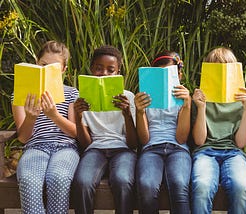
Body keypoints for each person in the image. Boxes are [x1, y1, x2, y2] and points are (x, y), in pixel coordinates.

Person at [12, 40, 79, 214]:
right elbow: (23, 137)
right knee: (28, 180)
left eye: (54, 67)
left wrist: (54, 116)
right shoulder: (20, 94)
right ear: (36, 63)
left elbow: (75, 133)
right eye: (43, 65)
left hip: (66, 147)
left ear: (63, 70)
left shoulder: (72, 93)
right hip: (35, 147)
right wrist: (31, 118)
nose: (46, 69)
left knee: (59, 178)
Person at [72, 45, 138, 214]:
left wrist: (126, 114)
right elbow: (86, 144)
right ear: (91, 69)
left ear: (118, 72)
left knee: (123, 180)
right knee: (83, 182)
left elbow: (132, 143)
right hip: (95, 149)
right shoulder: (82, 98)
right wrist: (79, 117)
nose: (104, 74)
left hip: (123, 150)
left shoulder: (128, 97)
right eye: (99, 69)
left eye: (111, 70)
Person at [191, 47, 246, 214]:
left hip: (233, 152)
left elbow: (240, 143)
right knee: (202, 186)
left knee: (241, 186)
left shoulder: (241, 98)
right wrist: (201, 108)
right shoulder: (200, 97)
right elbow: (199, 141)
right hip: (205, 152)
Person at [134, 51, 192, 213]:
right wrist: (139, 112)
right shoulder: (145, 98)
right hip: (151, 149)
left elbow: (181, 138)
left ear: (179, 75)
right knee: (147, 186)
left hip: (178, 149)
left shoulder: (183, 99)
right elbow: (144, 139)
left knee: (179, 184)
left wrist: (187, 105)